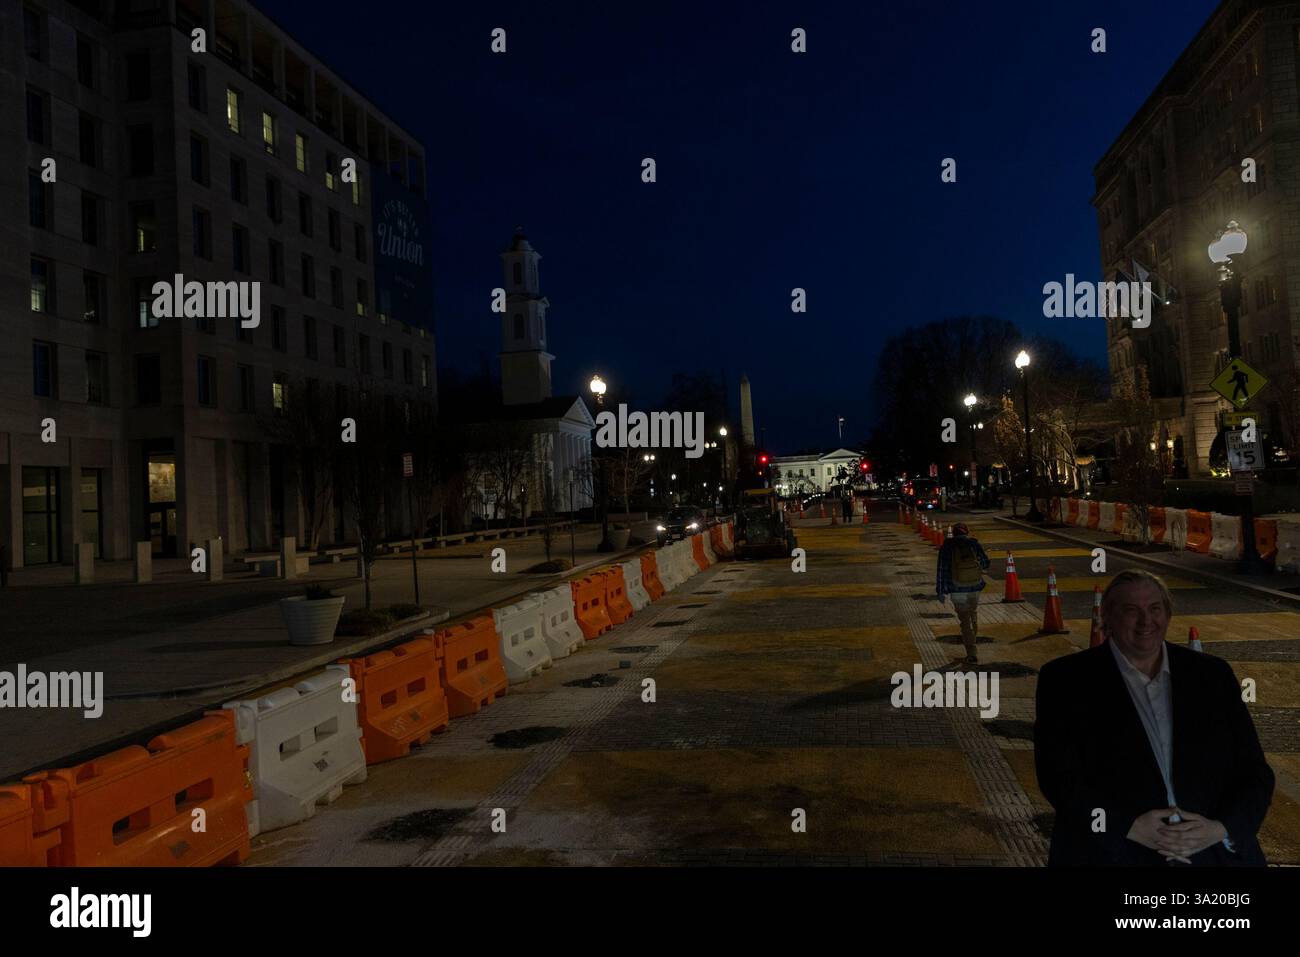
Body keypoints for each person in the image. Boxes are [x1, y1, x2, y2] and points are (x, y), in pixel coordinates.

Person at [1034, 569, 1275, 867]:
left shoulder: (1213, 676)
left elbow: (1255, 773)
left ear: (1168, 614)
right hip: (1111, 854)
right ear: (1107, 618)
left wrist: (1219, 829)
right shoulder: (1065, 680)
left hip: (1216, 856)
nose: (1146, 621)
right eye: (1131, 611)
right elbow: (1058, 778)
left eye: (1155, 609)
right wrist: (1126, 827)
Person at [935, 522, 990, 664]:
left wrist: (940, 591)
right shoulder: (974, 544)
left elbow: (941, 570)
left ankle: (971, 653)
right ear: (966, 532)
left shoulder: (946, 547)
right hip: (974, 587)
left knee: (965, 621)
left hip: (957, 589)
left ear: (953, 533)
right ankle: (973, 645)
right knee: (973, 615)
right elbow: (985, 563)